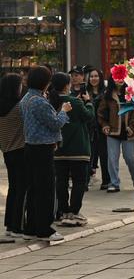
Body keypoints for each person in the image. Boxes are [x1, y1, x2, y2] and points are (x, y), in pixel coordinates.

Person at [20, 66, 71, 242]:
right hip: (42, 149)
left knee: (34, 188)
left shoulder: (27, 98)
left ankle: (31, 227)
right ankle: (44, 229)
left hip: (30, 146)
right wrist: (64, 111)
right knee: (45, 190)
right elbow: (55, 123)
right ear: (44, 82)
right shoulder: (39, 101)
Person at [48, 73, 95, 226]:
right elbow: (89, 116)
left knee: (60, 181)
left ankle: (63, 211)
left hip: (58, 150)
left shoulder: (50, 102)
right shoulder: (74, 101)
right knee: (79, 181)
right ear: (67, 85)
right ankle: (74, 212)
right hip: (78, 148)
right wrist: (88, 102)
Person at [98, 78, 134, 193]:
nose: (119, 80)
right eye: (116, 77)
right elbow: (101, 112)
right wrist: (104, 125)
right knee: (112, 159)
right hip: (113, 131)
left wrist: (132, 126)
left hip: (129, 132)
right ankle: (114, 183)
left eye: (122, 77)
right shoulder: (107, 95)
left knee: (130, 158)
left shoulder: (133, 93)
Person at [0, 73, 27, 237]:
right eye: (20, 84)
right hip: (21, 150)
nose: (21, 87)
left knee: (14, 187)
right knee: (22, 188)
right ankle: (17, 225)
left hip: (7, 152)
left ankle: (9, 224)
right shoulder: (19, 107)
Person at [86, 69, 110, 189]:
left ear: (100, 78)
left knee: (104, 155)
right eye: (91, 76)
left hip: (102, 128)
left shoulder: (105, 93)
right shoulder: (85, 92)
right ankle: (87, 179)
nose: (93, 78)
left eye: (96, 76)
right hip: (89, 128)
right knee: (89, 155)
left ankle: (106, 180)